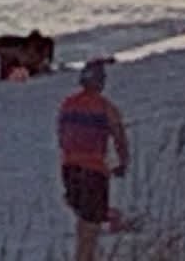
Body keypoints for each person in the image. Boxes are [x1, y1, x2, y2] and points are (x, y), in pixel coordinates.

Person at [58, 59, 128, 261]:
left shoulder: (67, 105)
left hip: (69, 168)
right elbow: (119, 136)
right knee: (91, 224)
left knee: (83, 217)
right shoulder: (105, 107)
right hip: (93, 169)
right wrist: (123, 161)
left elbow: (62, 136)